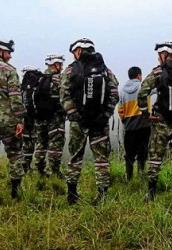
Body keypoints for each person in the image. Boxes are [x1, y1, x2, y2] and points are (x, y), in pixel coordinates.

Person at [60, 38, 119, 205]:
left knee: (75, 157)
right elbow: (114, 93)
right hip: (100, 123)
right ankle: (102, 196)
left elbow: (64, 96)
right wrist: (105, 114)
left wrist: (76, 116)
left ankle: (72, 195)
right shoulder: (105, 70)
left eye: (74, 52)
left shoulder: (70, 70)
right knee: (101, 159)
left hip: (79, 123)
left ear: (78, 51)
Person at [137, 40, 172, 202]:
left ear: (163, 54)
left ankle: (151, 195)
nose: (158, 58)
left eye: (158, 55)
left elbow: (142, 94)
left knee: (155, 158)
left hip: (161, 122)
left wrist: (146, 114)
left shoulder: (157, 72)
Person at [0, 37, 26, 203]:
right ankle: (15, 193)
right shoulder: (8, 70)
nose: (10, 56)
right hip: (7, 122)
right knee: (15, 156)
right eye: (8, 52)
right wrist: (20, 119)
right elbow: (15, 97)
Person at [33, 54, 66, 179]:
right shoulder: (59, 79)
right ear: (56, 64)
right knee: (55, 144)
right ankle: (55, 171)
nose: (62, 67)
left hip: (40, 117)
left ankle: (40, 169)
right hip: (55, 117)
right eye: (61, 64)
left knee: (41, 142)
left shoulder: (39, 78)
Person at [118, 66, 151, 181]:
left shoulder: (122, 91)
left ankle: (129, 178)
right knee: (143, 152)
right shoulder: (143, 87)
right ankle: (142, 176)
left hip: (129, 127)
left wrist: (125, 120)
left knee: (129, 155)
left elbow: (120, 110)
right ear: (139, 76)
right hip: (144, 125)